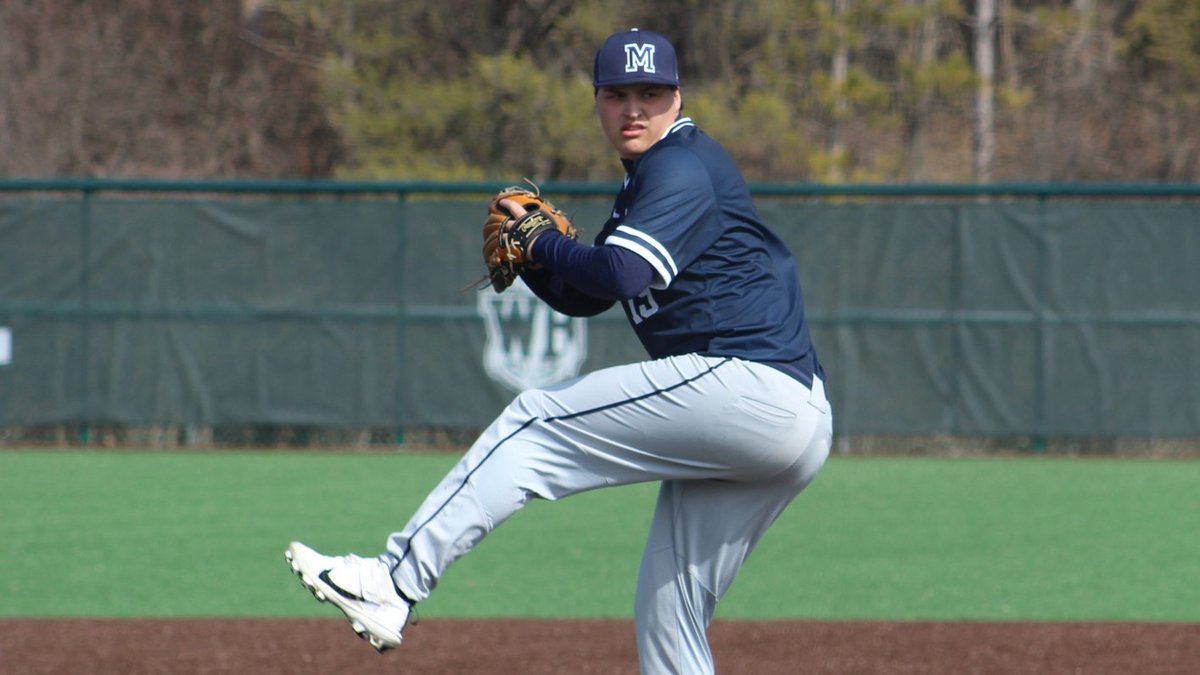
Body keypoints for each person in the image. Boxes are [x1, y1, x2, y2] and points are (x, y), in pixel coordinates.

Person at [286, 28, 833, 674]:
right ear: (597, 101)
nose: (634, 109)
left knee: (536, 421)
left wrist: (541, 241)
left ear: (677, 98)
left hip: (751, 387)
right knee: (670, 608)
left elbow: (621, 273)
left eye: (651, 93)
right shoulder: (646, 183)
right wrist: (536, 261)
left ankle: (394, 581)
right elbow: (592, 295)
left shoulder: (682, 165)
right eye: (618, 94)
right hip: (787, 416)